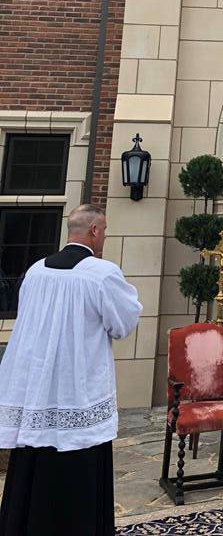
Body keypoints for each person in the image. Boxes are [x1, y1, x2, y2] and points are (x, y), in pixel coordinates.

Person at [0, 204, 142, 536]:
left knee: (33, 472)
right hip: (77, 390)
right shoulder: (101, 273)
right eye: (104, 230)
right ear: (94, 231)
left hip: (37, 392)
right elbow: (123, 322)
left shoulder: (36, 270)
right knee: (79, 476)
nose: (104, 236)